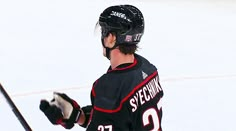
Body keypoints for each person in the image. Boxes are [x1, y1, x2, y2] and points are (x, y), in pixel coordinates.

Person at [39, 4, 164, 131]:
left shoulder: (109, 88)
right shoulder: (148, 69)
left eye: (104, 32)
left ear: (111, 39)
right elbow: (120, 118)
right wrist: (78, 116)